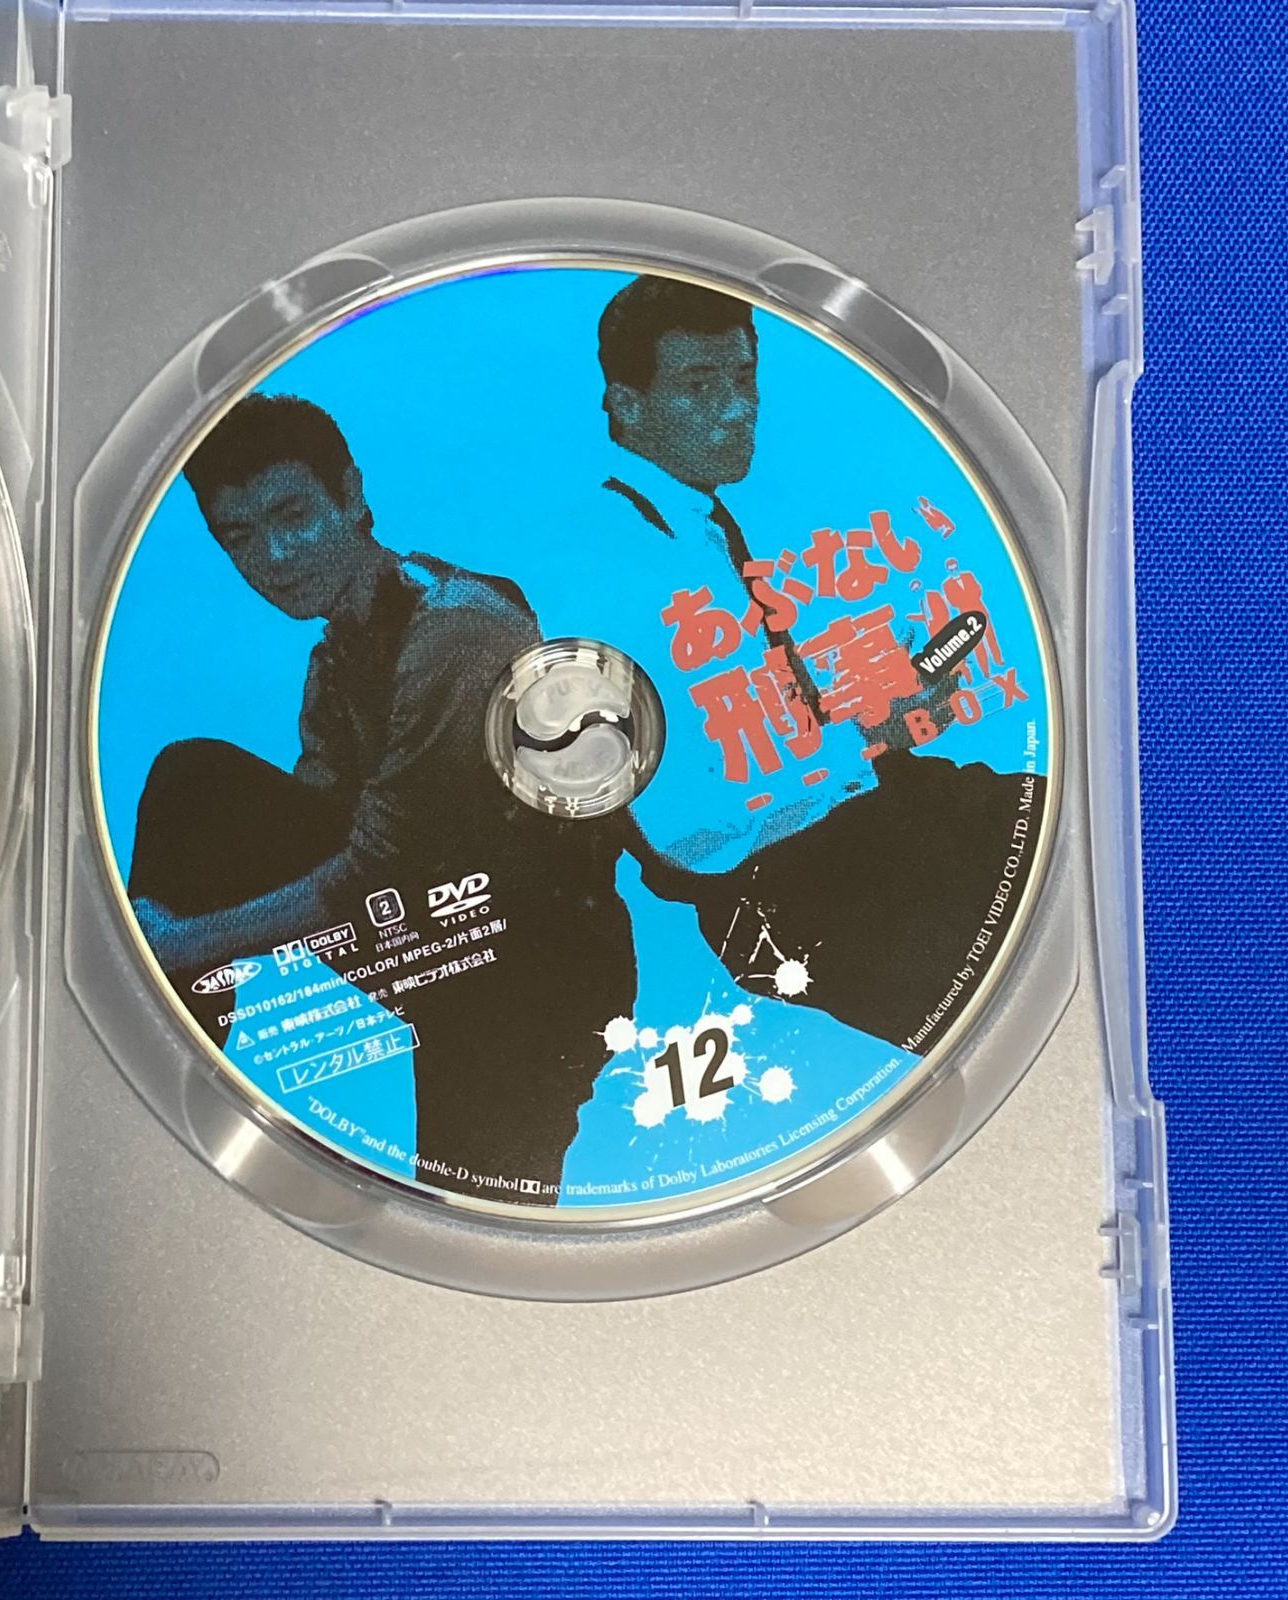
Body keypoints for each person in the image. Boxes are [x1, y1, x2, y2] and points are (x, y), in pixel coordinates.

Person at [128, 394, 635, 1202]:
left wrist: (185, 944)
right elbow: (317, 820)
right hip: (428, 922)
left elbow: (373, 868)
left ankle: (152, 1032)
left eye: (293, 515)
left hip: (534, 968)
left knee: (475, 1216)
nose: (274, 557)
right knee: (199, 785)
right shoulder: (338, 654)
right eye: (240, 537)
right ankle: (148, 1098)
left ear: (351, 494)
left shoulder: (455, 628)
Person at [581, 275, 1044, 1049]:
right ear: (627, 404)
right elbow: (687, 833)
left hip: (868, 820)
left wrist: (873, 700)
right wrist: (872, 735)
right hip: (792, 892)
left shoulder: (696, 518)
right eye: (698, 386)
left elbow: (741, 724)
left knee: (1088, 837)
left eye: (743, 379)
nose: (737, 409)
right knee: (1043, 963)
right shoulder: (614, 558)